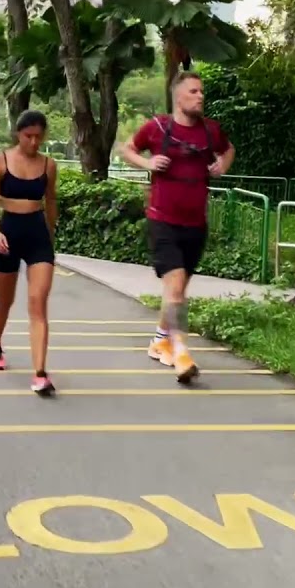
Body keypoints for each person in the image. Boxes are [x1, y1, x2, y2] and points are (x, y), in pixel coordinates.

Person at [119, 71, 235, 383]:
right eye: (194, 91)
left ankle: (160, 340)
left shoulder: (211, 130)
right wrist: (148, 163)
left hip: (196, 224)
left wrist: (222, 165)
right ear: (178, 96)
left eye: (202, 91)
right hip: (163, 221)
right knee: (175, 287)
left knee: (177, 292)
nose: (200, 96)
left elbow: (228, 150)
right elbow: (127, 149)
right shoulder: (158, 127)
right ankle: (181, 354)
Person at [0, 110, 59, 396]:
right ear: (18, 134)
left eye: (39, 137)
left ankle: (40, 374)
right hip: (8, 234)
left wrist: (50, 237)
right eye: (29, 136)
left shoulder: (49, 165)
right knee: (4, 302)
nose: (34, 142)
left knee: (38, 304)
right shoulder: (0, 161)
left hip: (38, 236)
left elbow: (50, 202)